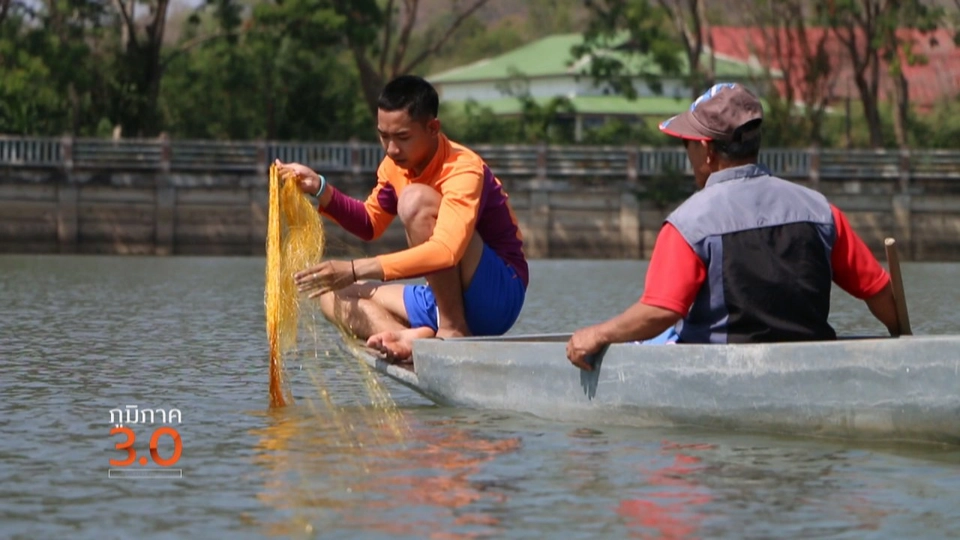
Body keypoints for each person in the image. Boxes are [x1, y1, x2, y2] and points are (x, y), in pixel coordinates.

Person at [566, 82, 901, 370]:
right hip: (809, 368)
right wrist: (906, 348)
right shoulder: (821, 211)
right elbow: (879, 291)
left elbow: (661, 310)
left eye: (687, 146)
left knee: (646, 340)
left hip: (722, 375)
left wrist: (599, 334)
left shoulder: (688, 223)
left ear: (706, 150)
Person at [275, 75, 528, 361]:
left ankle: (452, 329)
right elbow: (370, 224)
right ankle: (407, 340)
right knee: (332, 296)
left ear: (433, 128)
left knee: (414, 200)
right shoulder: (393, 166)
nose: (392, 149)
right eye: (384, 136)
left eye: (403, 137)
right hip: (443, 297)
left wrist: (356, 269)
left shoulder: (463, 169)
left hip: (498, 295)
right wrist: (320, 188)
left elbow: (447, 251)